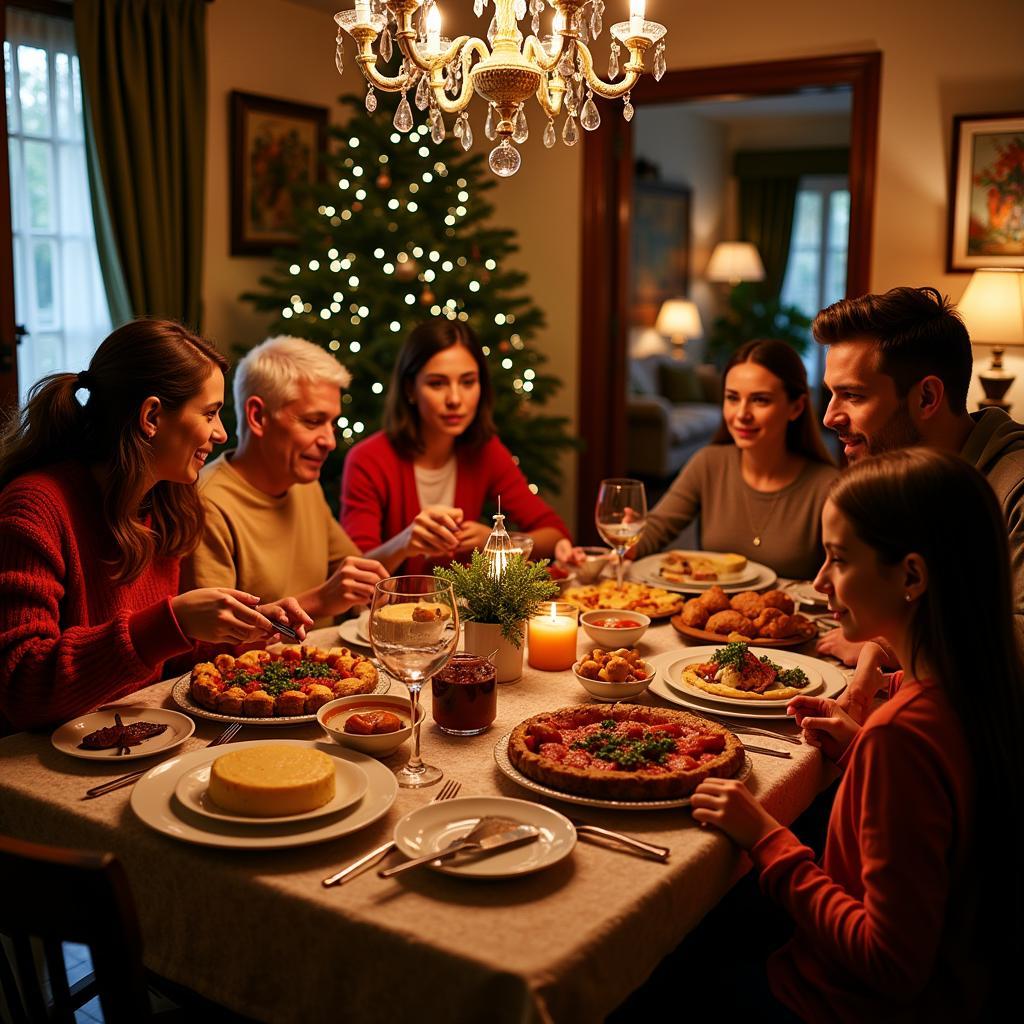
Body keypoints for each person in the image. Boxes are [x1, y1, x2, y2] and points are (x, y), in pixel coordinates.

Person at [692, 448, 1023, 1020]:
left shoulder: (899, 737)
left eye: (839, 560)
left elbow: (891, 963)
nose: (820, 581)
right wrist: (856, 751)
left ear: (912, 576)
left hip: (831, 1003)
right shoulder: (977, 689)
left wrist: (765, 835)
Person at [0, 320, 311, 732]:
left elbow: (157, 662)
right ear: (151, 416)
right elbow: (21, 689)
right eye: (210, 413)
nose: (220, 434)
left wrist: (242, 629)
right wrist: (172, 622)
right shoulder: (35, 507)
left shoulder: (164, 504)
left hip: (133, 738)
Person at [814, 285, 1024, 670]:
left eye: (853, 396)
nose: (830, 417)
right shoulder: (901, 478)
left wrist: (892, 643)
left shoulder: (1016, 488)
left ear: (927, 397)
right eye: (831, 394)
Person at [181, 336, 387, 628]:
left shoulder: (304, 483)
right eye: (313, 421)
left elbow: (356, 572)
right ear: (258, 416)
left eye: (332, 423)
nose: (330, 441)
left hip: (331, 663)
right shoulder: (206, 503)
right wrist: (321, 601)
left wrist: (407, 543)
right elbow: (211, 641)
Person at [340, 319, 574, 574]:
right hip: (390, 610)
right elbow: (354, 574)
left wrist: (495, 542)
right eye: (437, 383)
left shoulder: (484, 450)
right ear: (411, 389)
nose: (455, 399)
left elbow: (555, 533)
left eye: (467, 382)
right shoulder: (368, 459)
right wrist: (404, 543)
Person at [630, 339, 837, 580]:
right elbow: (656, 530)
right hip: (710, 614)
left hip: (791, 617)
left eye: (760, 400)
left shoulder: (827, 487)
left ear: (796, 407)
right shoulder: (709, 463)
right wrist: (631, 537)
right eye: (732, 398)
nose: (741, 414)